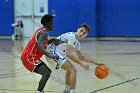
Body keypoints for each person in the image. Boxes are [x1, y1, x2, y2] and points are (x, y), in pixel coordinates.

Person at [46, 23, 103, 93]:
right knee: (73, 69)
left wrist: (95, 62)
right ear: (78, 29)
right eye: (81, 30)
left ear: (86, 35)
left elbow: (81, 57)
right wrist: (81, 63)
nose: (82, 33)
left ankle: (66, 90)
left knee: (70, 69)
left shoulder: (77, 43)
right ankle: (72, 91)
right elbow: (69, 54)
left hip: (55, 54)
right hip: (52, 54)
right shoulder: (72, 36)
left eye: (84, 33)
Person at [21, 14, 60, 93]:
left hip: (32, 57)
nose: (53, 24)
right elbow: (40, 46)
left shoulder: (42, 31)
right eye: (52, 22)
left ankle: (40, 91)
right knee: (46, 73)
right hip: (28, 57)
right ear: (48, 23)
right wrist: (50, 56)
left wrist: (51, 40)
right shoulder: (43, 33)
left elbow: (42, 43)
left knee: (47, 72)